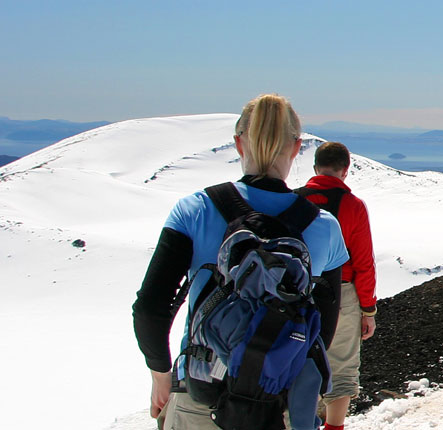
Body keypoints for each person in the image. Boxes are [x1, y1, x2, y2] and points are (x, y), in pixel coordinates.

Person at [133, 94, 348, 430]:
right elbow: (325, 322)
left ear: (238, 144)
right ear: (296, 148)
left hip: (203, 393)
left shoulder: (195, 209)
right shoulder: (323, 226)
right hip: (281, 404)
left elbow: (150, 306)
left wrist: (161, 374)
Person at [294, 141, 377, 430]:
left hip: (295, 293)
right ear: (346, 169)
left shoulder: (292, 201)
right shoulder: (353, 206)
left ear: (315, 168)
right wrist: (368, 310)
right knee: (340, 368)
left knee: (292, 361)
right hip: (342, 292)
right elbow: (364, 263)